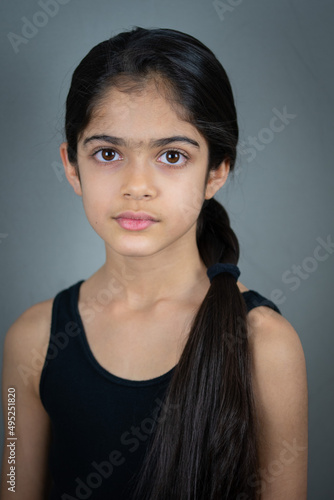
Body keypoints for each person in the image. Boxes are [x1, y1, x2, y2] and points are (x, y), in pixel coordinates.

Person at [0, 27, 308, 500]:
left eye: (171, 155)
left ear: (217, 171)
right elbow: (15, 483)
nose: (137, 184)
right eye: (108, 153)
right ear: (71, 165)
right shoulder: (32, 340)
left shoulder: (266, 346)